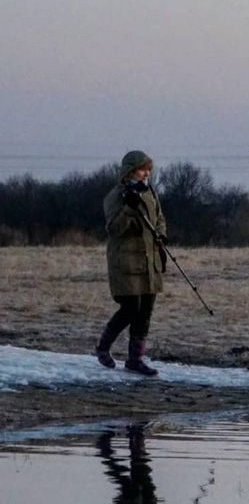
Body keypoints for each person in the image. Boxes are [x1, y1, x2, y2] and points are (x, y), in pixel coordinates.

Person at [96, 149, 166, 376]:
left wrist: (162, 235)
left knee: (145, 310)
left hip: (149, 262)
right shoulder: (115, 196)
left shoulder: (150, 193)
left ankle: (135, 359)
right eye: (142, 169)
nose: (146, 174)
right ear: (129, 171)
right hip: (126, 262)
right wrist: (128, 207)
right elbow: (114, 229)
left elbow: (160, 218)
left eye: (148, 170)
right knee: (130, 308)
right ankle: (103, 347)